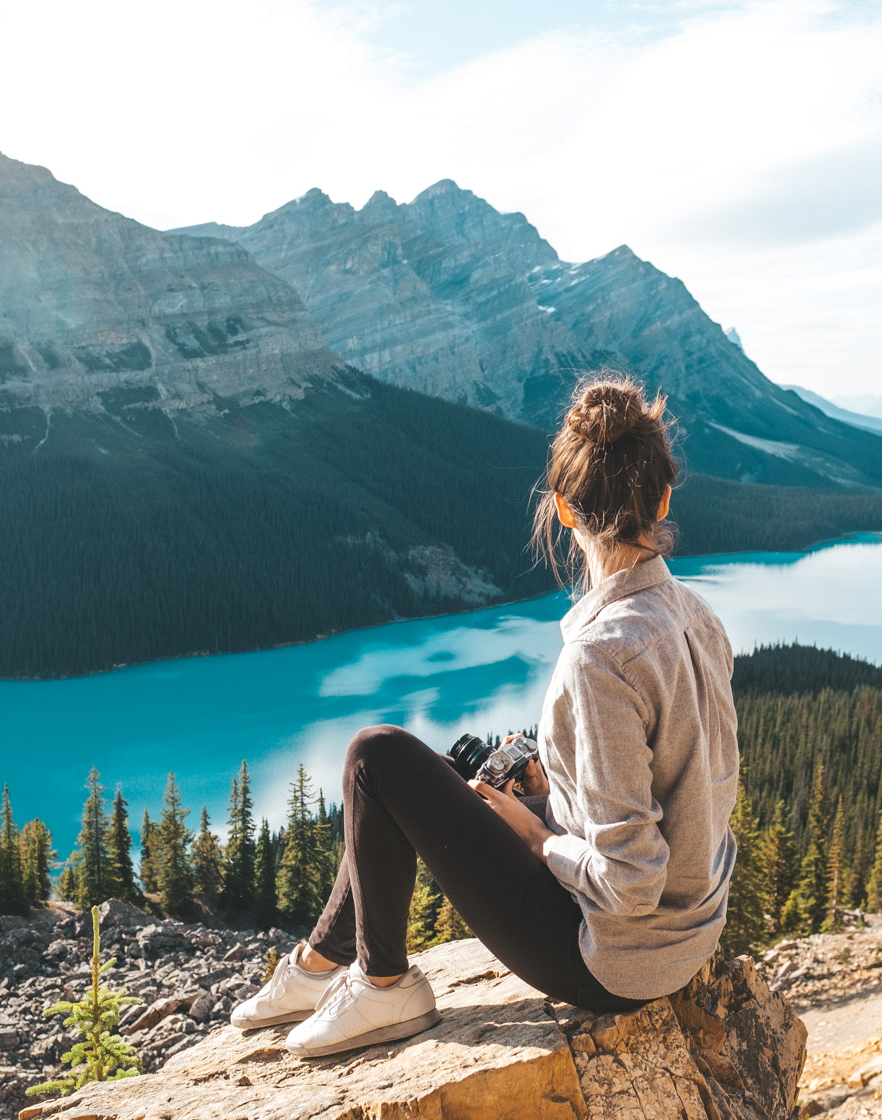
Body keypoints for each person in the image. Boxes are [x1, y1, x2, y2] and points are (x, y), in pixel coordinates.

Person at [232, 375, 740, 1058]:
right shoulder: (699, 618)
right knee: (438, 774)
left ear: (562, 509)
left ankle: (384, 984)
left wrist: (538, 837)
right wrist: (551, 786)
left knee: (374, 756)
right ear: (664, 496)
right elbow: (680, 799)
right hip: (689, 932)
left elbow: (632, 883)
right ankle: (321, 962)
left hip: (614, 960)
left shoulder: (601, 658)